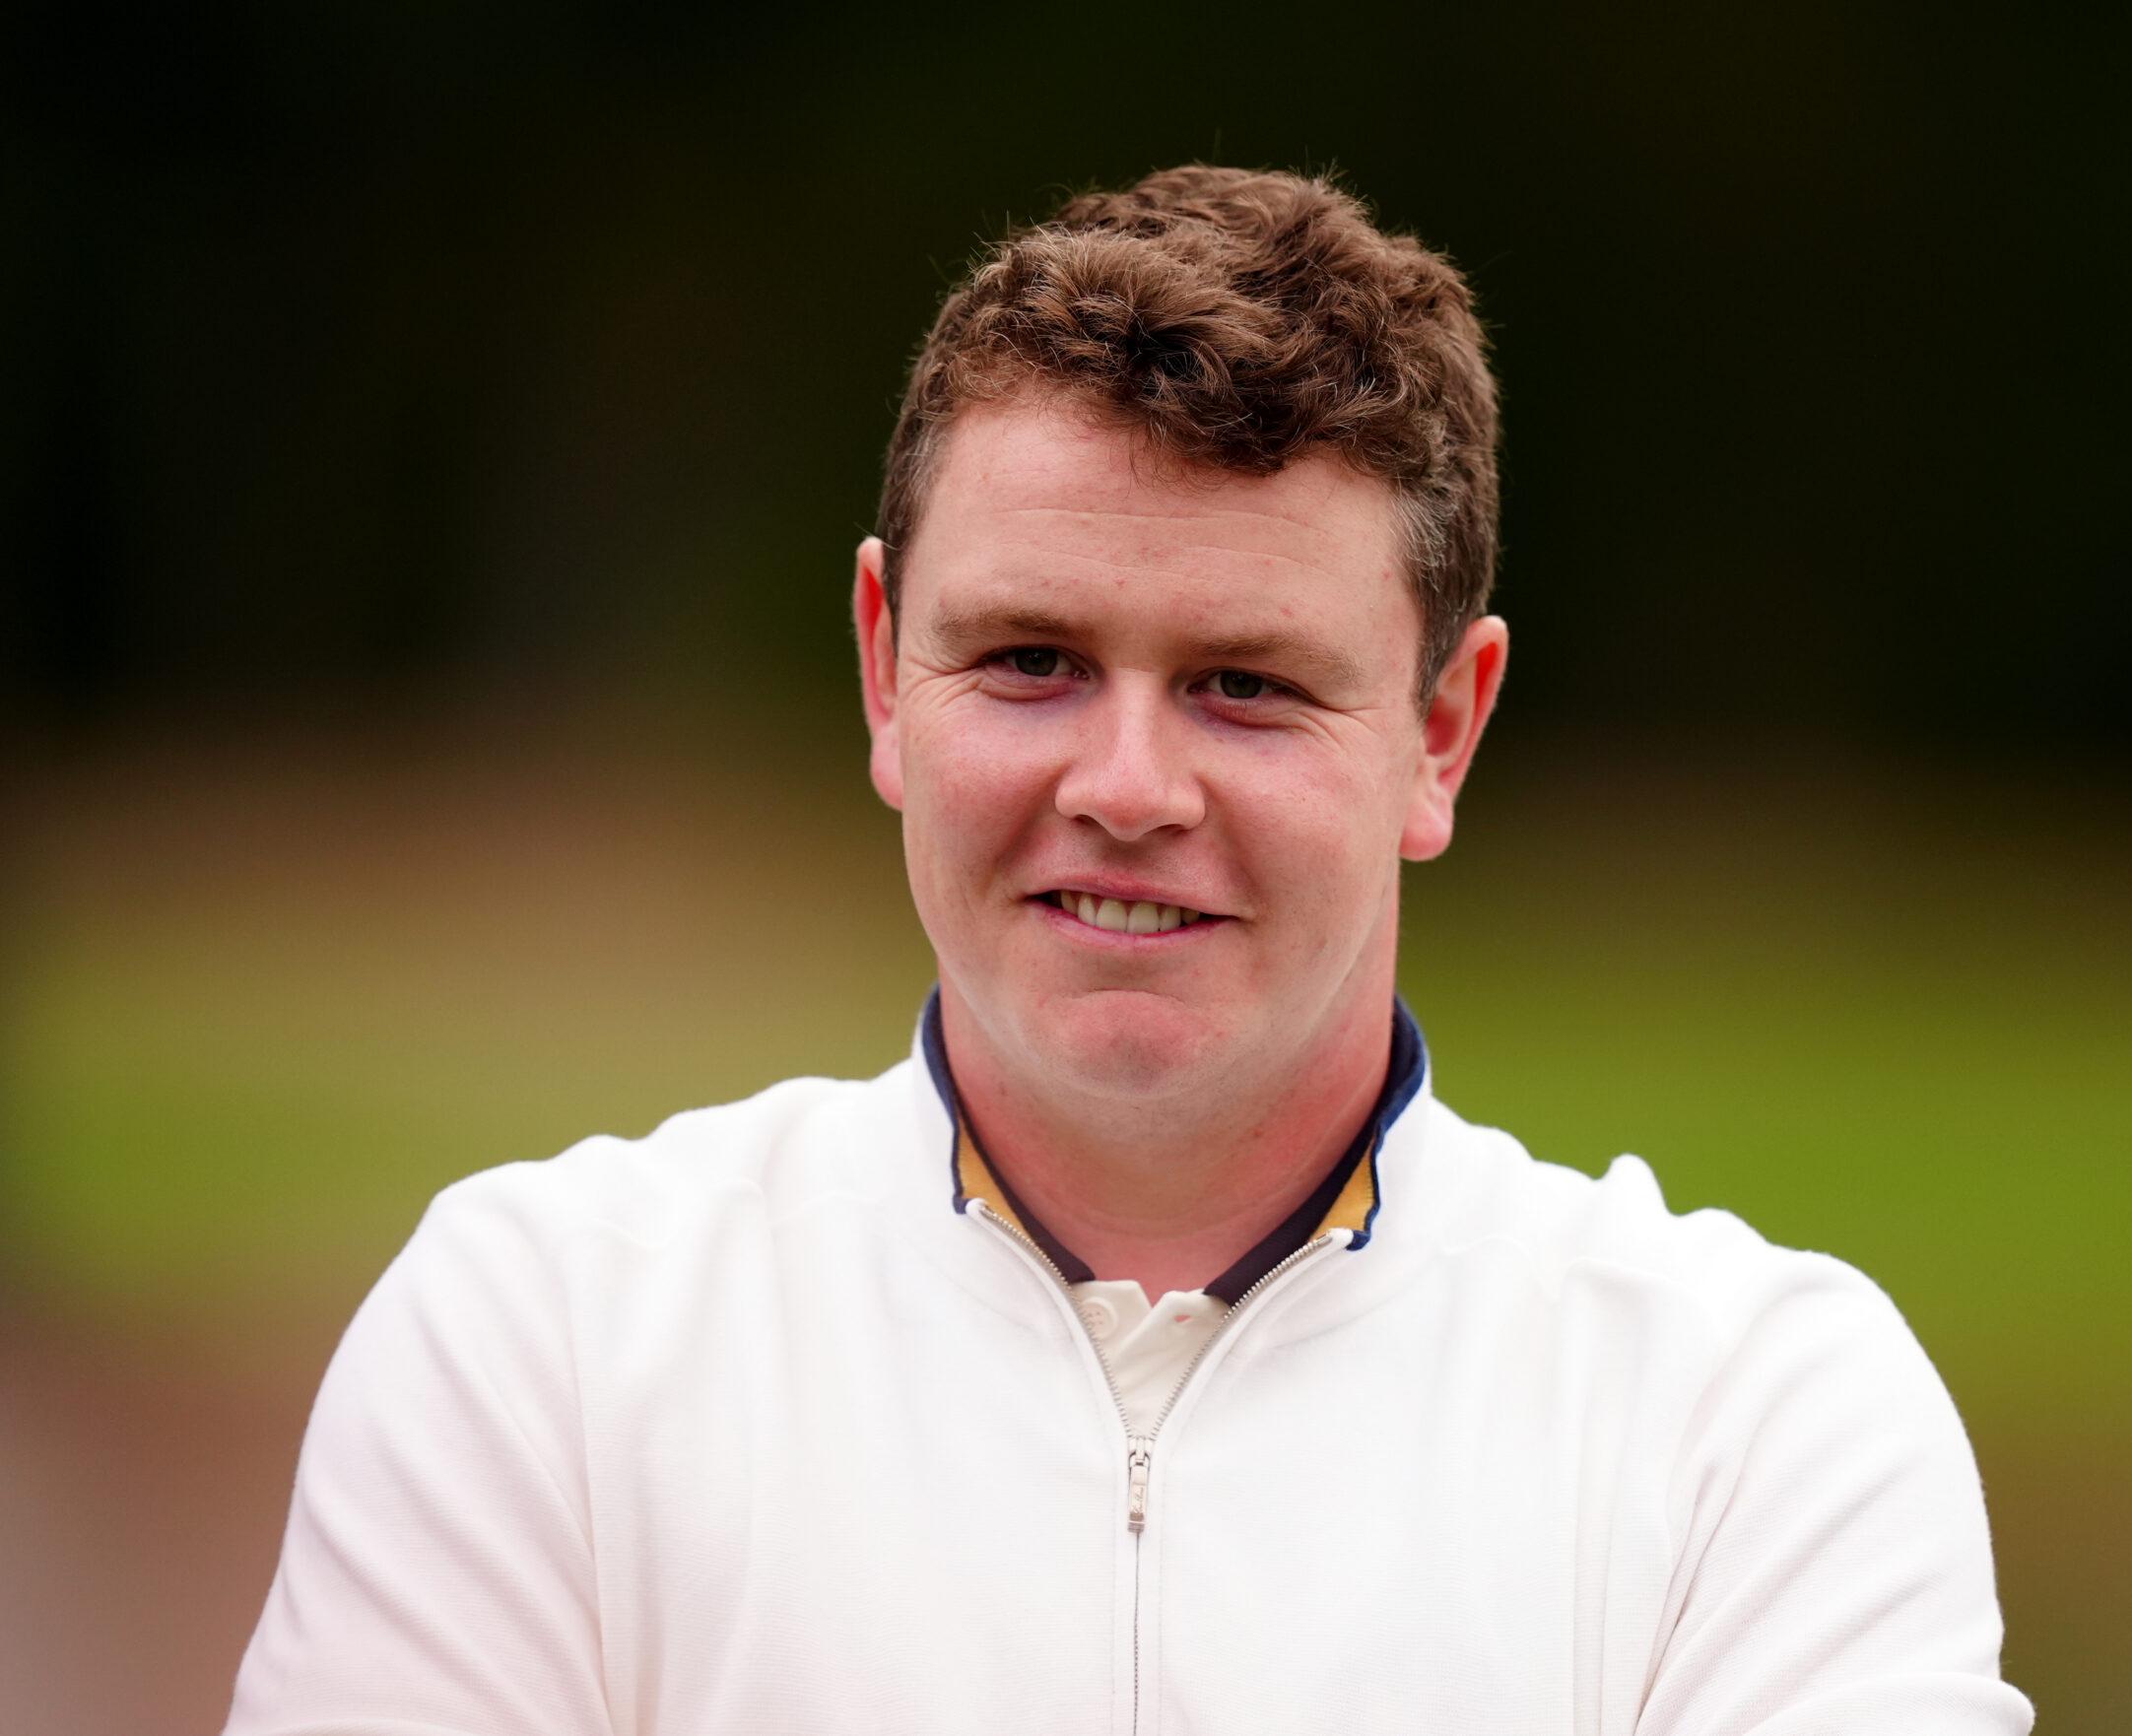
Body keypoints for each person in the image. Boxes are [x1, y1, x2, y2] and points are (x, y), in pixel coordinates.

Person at [225, 165, 2033, 1735]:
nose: (1127, 786)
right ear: (884, 667)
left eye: (1246, 684)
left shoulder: (1752, 1427)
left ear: (1441, 732)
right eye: (1031, 660)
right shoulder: (543, 1342)